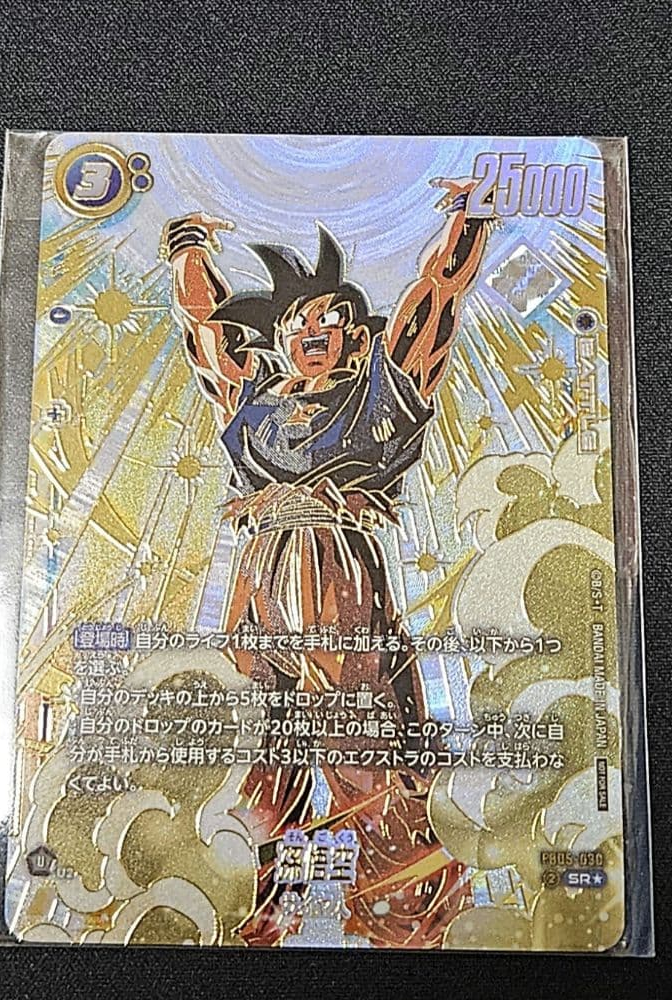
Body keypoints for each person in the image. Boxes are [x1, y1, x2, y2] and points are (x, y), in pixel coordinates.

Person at [161, 177, 491, 946]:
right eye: (299, 321)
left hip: (336, 578)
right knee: (257, 759)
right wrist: (186, 248)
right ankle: (255, 914)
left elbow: (435, 300)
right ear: (278, 339)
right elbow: (207, 330)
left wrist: (470, 218)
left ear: (355, 337)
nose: (315, 330)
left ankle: (406, 919)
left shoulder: (381, 393)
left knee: (364, 752)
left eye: (332, 320)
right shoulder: (253, 405)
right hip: (260, 585)